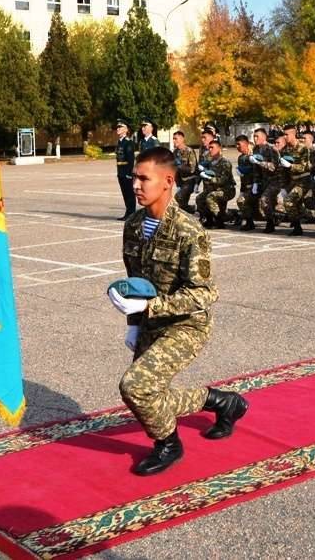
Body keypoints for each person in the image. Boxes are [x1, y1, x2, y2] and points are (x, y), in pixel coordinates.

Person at [109, 147, 248, 476]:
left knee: (135, 386)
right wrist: (133, 322)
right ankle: (222, 402)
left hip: (187, 325)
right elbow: (136, 282)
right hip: (150, 323)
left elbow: (204, 292)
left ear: (168, 181)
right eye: (134, 178)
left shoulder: (189, 231)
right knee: (147, 395)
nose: (136, 185)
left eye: (145, 178)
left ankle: (169, 445)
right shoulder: (133, 226)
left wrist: (149, 306)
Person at [195, 139, 235, 228]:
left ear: (219, 149)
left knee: (210, 197)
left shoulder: (225, 163)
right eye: (209, 148)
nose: (210, 150)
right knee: (199, 198)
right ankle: (209, 219)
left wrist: (209, 178)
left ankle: (220, 220)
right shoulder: (210, 162)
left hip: (227, 189)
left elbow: (222, 181)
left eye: (212, 148)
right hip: (215, 188)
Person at [232, 134, 257, 230]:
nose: (237, 147)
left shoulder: (254, 154)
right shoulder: (241, 158)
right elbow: (243, 177)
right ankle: (249, 222)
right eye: (236, 145)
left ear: (246, 143)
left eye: (239, 144)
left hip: (257, 185)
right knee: (241, 201)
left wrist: (256, 184)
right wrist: (242, 190)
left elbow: (257, 172)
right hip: (248, 187)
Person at [172, 130, 198, 213]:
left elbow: (192, 169)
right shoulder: (175, 152)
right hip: (181, 182)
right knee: (182, 205)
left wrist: (180, 166)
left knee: (178, 198)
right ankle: (192, 210)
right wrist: (177, 183)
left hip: (189, 181)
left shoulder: (189, 151)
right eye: (173, 138)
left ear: (182, 139)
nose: (174, 141)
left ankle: (195, 209)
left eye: (176, 138)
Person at [115, 119, 137, 219]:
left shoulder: (128, 143)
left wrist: (129, 173)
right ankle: (128, 213)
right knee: (125, 193)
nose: (118, 129)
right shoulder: (119, 142)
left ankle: (132, 214)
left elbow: (130, 160)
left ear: (126, 130)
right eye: (117, 127)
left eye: (120, 127)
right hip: (120, 172)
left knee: (130, 194)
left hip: (126, 172)